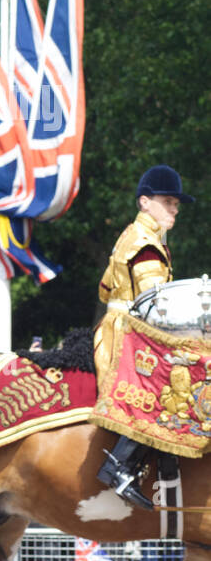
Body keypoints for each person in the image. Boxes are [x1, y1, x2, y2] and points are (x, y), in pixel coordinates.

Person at [94, 164, 193, 508]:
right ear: (145, 202)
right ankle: (120, 465)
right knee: (174, 385)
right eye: (169, 202)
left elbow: (106, 290)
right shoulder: (146, 244)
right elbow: (159, 309)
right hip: (128, 335)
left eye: (176, 204)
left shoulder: (136, 236)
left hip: (126, 328)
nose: (175, 209)